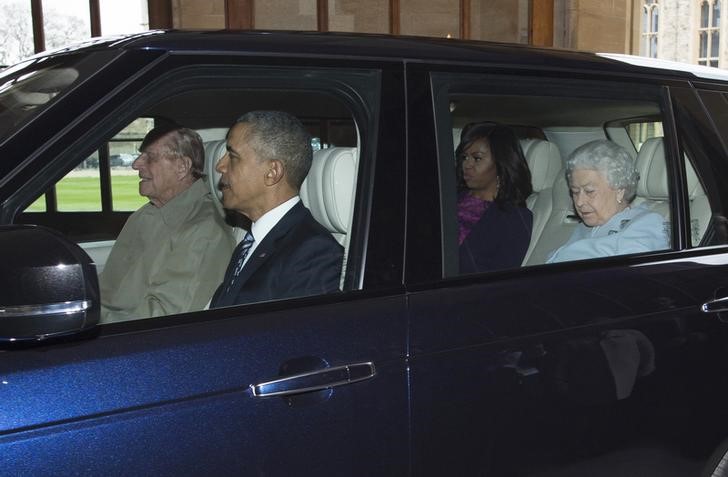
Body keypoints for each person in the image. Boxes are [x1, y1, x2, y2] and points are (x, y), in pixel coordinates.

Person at [100, 124, 236, 322]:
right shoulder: (144, 215)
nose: (136, 164)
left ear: (182, 167)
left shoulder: (204, 232)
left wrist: (90, 320)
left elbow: (163, 321)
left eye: (150, 157)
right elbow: (110, 288)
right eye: (140, 156)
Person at [209, 110, 343, 308]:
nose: (220, 166)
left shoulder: (314, 253)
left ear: (272, 172)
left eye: (233, 156)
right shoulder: (250, 243)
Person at [547, 139, 669, 263]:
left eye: (589, 191)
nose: (579, 202)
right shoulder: (584, 228)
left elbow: (635, 275)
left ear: (620, 190)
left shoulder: (647, 224)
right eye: (575, 192)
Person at [456, 122, 533, 273]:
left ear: (501, 163)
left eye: (477, 158)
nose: (467, 164)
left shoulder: (514, 218)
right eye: (464, 157)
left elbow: (499, 282)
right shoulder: (447, 199)